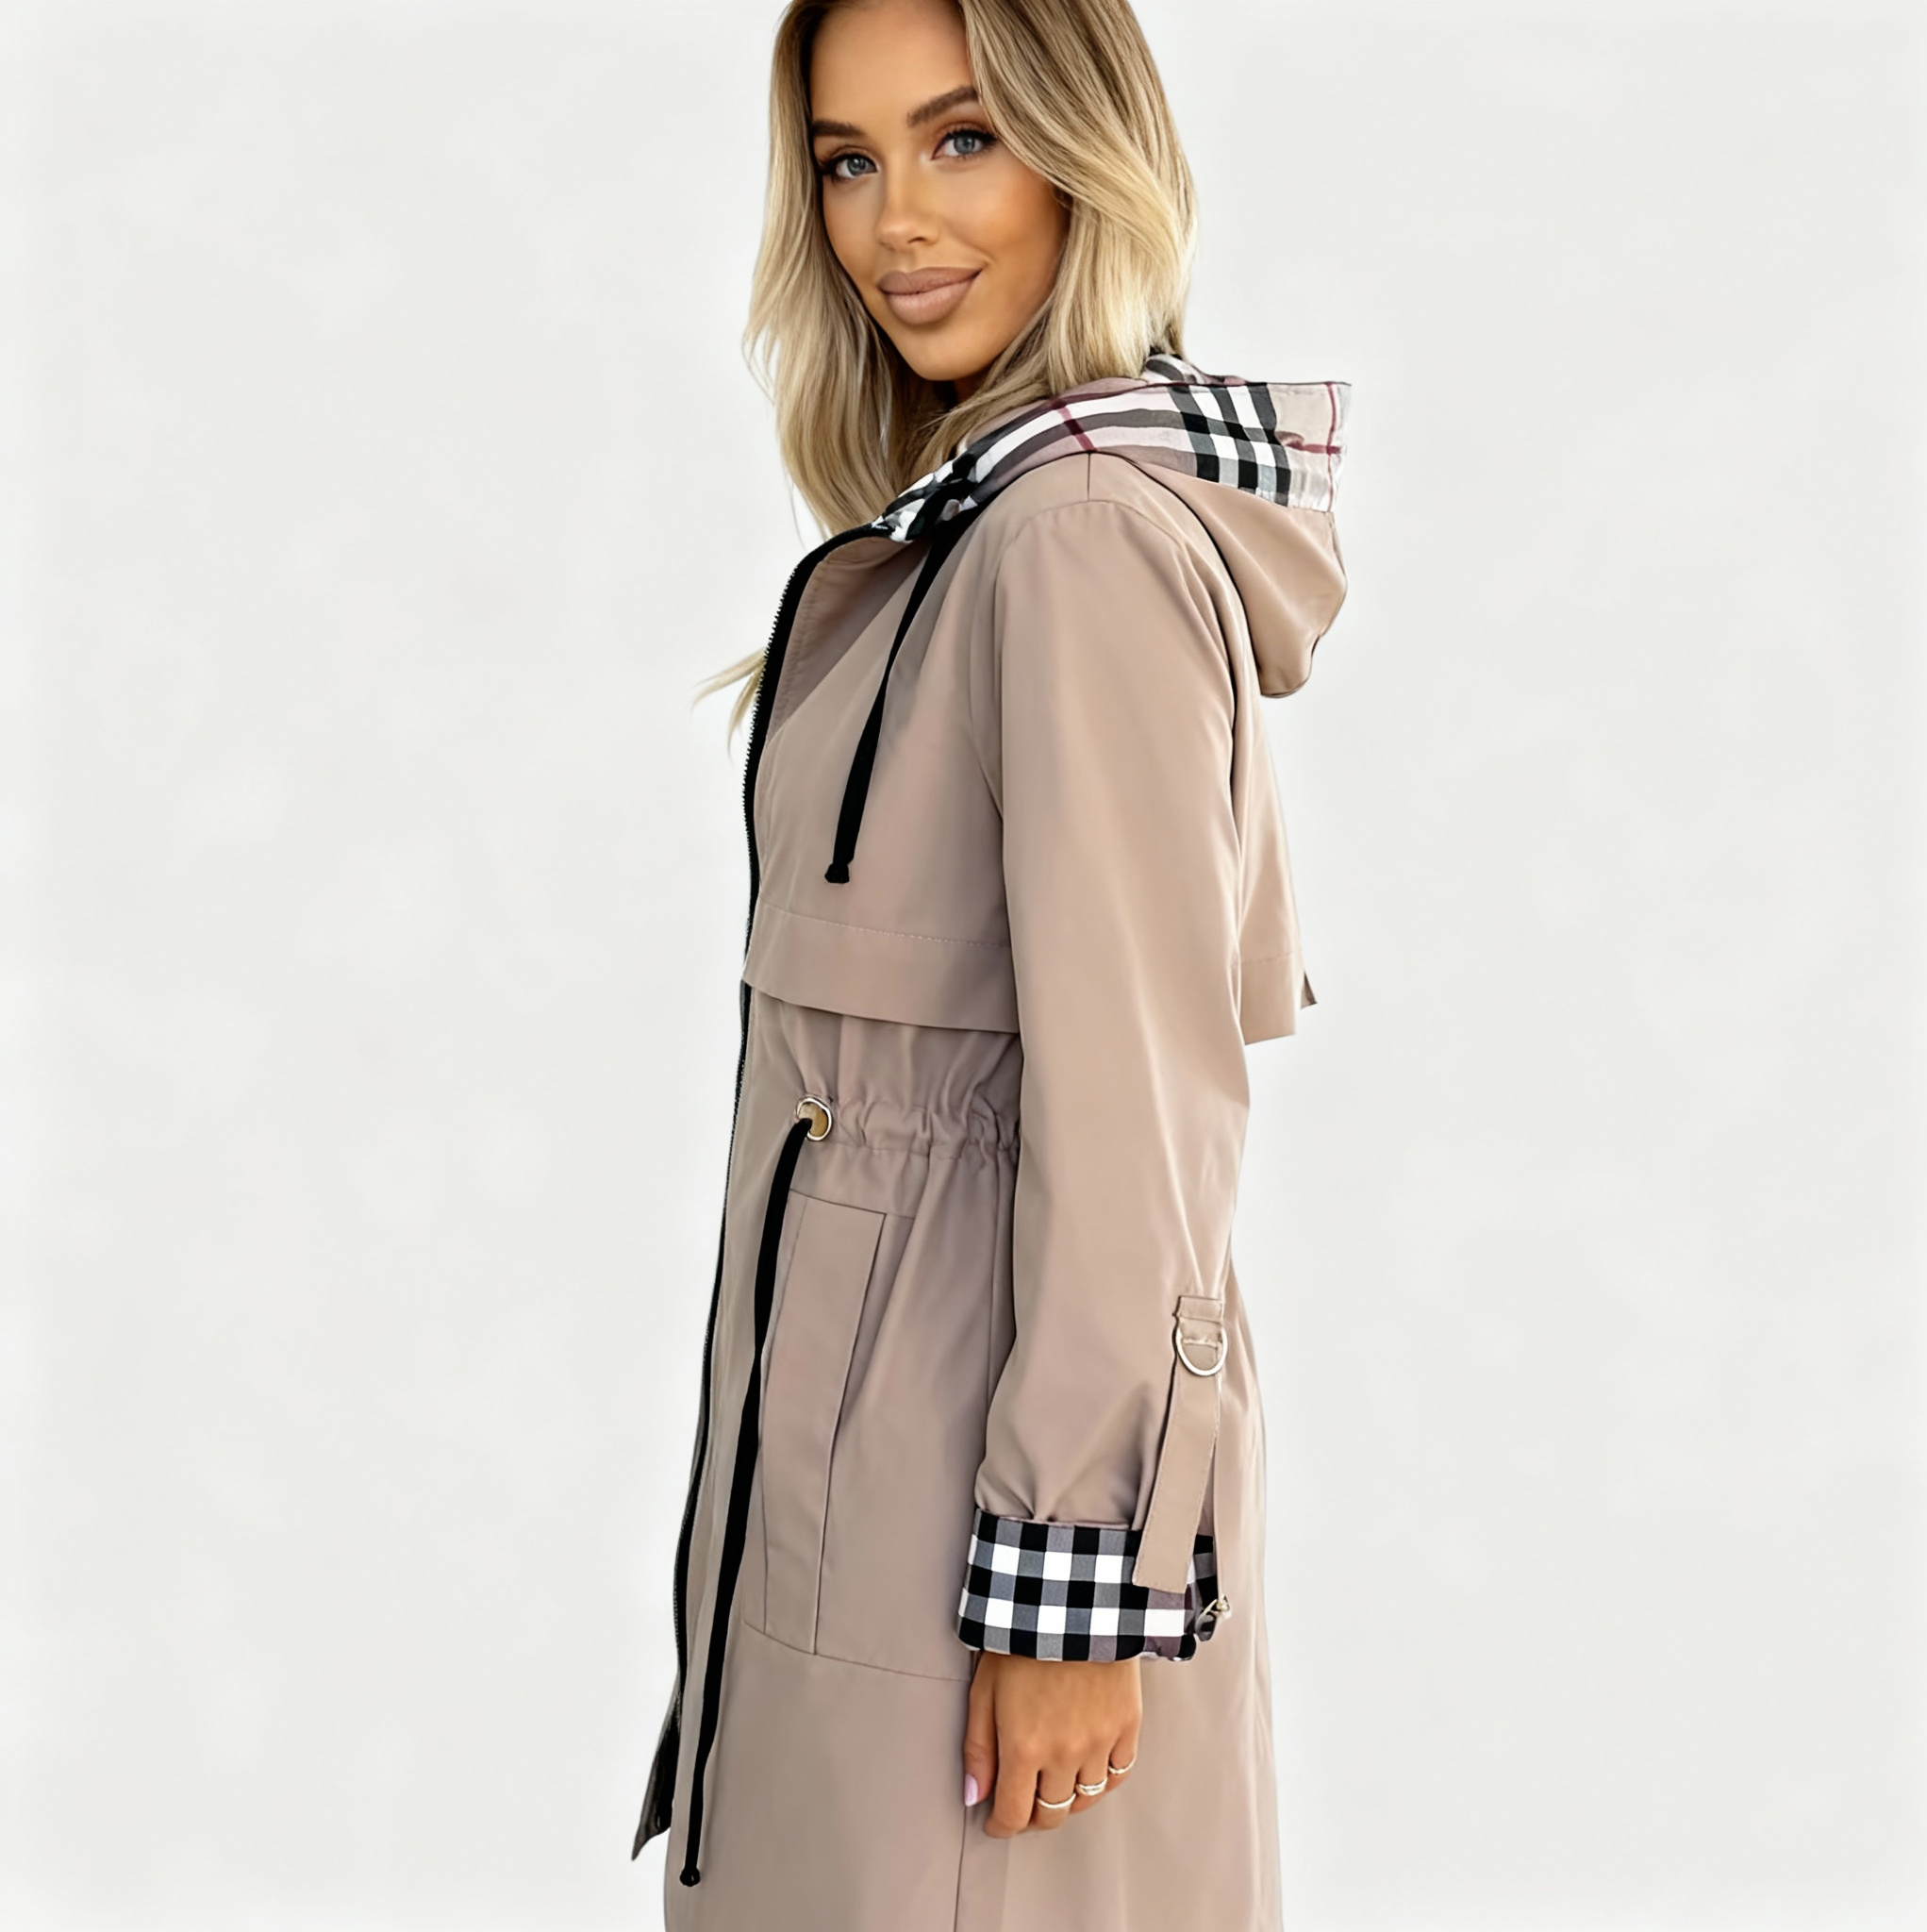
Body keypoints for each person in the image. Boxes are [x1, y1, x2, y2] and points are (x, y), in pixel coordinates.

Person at [634, 1, 1347, 1925]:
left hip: (975, 1502)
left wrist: (1075, 1587)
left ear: (1082, 151)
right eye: (847, 160)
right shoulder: (976, 534)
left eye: (961, 139)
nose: (896, 221)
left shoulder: (1076, 545)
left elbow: (1143, 1110)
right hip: (861, 1468)